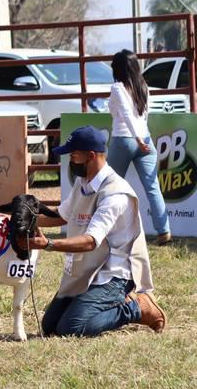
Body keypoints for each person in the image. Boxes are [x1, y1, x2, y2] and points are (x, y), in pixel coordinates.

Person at [26, 126, 164, 337]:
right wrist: (23, 221)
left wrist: (49, 244)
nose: (70, 161)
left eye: (73, 155)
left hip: (114, 275)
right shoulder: (84, 181)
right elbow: (63, 215)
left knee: (70, 329)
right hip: (89, 269)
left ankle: (136, 308)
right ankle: (103, 305)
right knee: (50, 326)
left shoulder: (115, 194)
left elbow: (91, 242)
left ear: (91, 156)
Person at [107, 49, 171, 245]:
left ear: (118, 69)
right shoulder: (144, 86)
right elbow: (144, 115)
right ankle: (164, 231)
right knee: (153, 188)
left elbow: (125, 115)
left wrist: (136, 138)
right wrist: (142, 138)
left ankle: (107, 230)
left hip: (125, 139)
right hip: (145, 138)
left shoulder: (117, 87)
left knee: (108, 185)